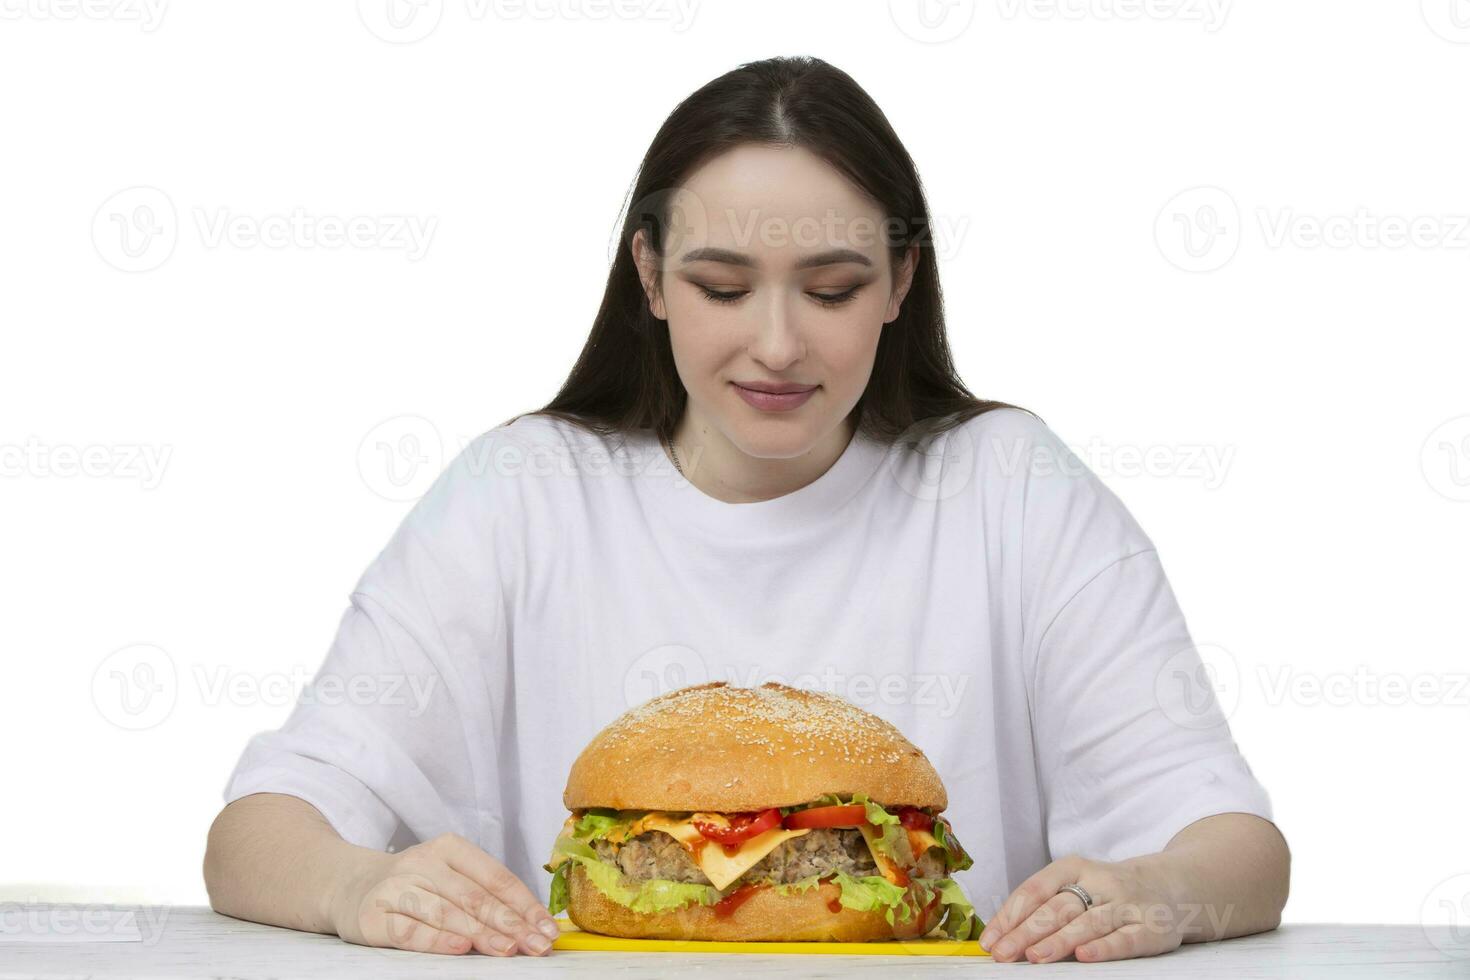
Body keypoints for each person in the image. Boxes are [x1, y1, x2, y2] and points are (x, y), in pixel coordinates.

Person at [203, 55, 1288, 963]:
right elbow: (257, 830)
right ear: (651, 273)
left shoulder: (1015, 490)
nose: (776, 344)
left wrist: (1158, 889)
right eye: (724, 286)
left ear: (903, 280)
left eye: (831, 289)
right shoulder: (518, 495)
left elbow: (1237, 845)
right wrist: (358, 885)